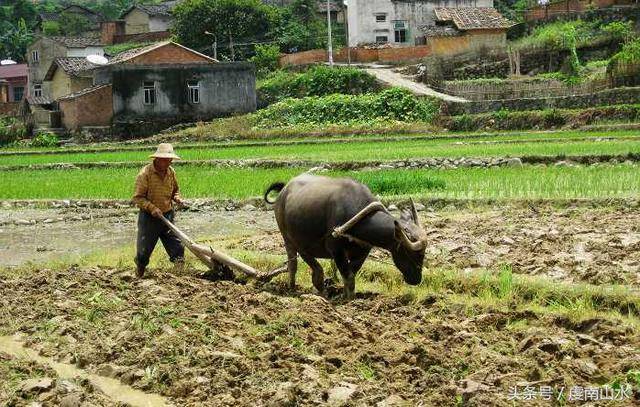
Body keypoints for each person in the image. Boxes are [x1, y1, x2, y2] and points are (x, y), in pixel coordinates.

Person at [132, 143, 187, 277]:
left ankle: (180, 276)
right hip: (149, 218)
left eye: (170, 160)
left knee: (177, 247)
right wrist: (152, 208)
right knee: (144, 250)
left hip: (167, 215)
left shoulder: (171, 172)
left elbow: (175, 191)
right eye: (166, 159)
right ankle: (139, 273)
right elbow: (138, 198)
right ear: (157, 159)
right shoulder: (145, 174)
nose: (169, 162)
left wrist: (177, 198)